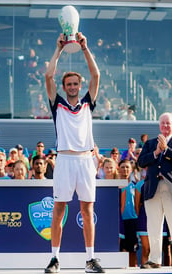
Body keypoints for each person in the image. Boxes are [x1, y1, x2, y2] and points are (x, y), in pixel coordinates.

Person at [44, 32, 104, 273]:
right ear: (64, 87)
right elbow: (48, 75)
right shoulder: (56, 103)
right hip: (65, 160)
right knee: (59, 209)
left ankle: (90, 260)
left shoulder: (88, 102)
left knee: (87, 210)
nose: (71, 87)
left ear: (79, 86)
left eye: (75, 84)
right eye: (68, 84)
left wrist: (84, 48)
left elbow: (96, 75)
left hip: (86, 161)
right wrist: (58, 50)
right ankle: (54, 259)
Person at [137, 112, 172, 269]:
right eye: (163, 123)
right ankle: (154, 259)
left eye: (168, 123)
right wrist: (157, 152)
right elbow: (141, 161)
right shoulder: (150, 143)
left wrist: (166, 150)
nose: (165, 126)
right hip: (153, 188)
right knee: (153, 225)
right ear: (159, 125)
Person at [119, 160, 138, 267]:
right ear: (118, 169)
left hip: (131, 221)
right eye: (122, 167)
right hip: (119, 222)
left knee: (132, 249)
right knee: (121, 249)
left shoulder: (134, 186)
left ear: (131, 170)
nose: (125, 169)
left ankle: (133, 269)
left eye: (127, 167)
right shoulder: (115, 185)